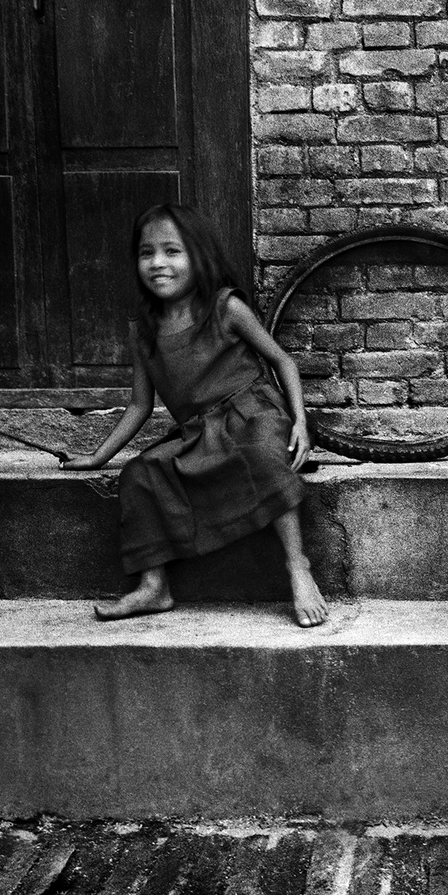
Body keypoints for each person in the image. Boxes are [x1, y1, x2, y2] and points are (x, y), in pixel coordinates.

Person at [63, 203, 328, 628]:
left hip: (253, 412)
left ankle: (298, 567)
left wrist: (299, 421)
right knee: (141, 473)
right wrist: (98, 457)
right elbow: (139, 405)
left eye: (172, 251)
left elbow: (282, 361)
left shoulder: (226, 307)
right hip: (199, 431)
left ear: (198, 256)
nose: (158, 263)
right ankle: (154, 587)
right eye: (147, 253)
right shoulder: (143, 330)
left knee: (261, 454)